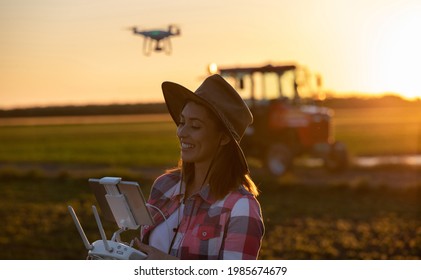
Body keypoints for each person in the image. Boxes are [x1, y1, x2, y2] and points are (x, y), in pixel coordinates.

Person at [135, 74, 264, 260]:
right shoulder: (164, 186)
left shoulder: (241, 207)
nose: (181, 132)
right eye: (182, 122)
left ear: (224, 138)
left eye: (195, 126)